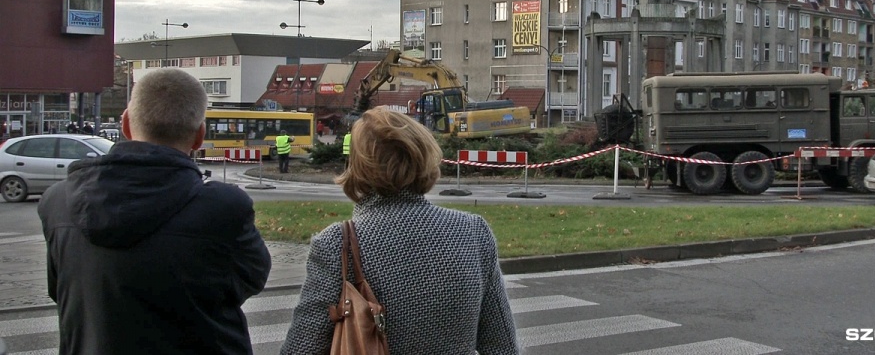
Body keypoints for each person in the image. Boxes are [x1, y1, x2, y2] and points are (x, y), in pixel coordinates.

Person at [37, 68, 271, 355]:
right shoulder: (224, 207)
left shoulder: (57, 202)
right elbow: (252, 279)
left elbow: (59, 289)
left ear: (125, 123)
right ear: (200, 136)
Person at [281, 107, 519, 354]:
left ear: (357, 164)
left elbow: (302, 348)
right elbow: (503, 347)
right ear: (424, 156)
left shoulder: (335, 245)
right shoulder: (472, 232)